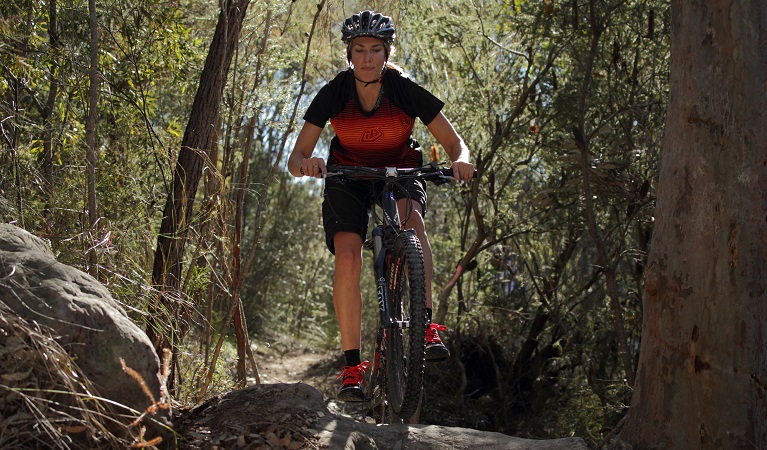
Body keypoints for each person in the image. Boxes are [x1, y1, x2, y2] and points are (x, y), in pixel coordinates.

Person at [287, 10, 474, 402]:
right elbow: (297, 155)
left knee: (413, 225)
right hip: (347, 177)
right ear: (349, 55)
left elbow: (455, 142)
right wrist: (308, 162)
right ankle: (352, 367)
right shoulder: (336, 92)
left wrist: (461, 159)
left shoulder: (403, 88)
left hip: (399, 170)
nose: (367, 57)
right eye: (359, 50)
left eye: (375, 49)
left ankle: (424, 326)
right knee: (349, 257)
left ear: (387, 53)